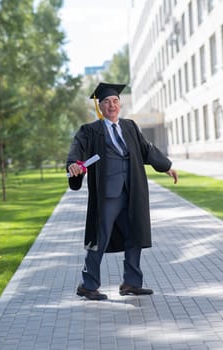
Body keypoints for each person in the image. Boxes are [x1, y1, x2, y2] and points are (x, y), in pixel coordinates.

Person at [66, 82, 178, 301]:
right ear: (99, 106)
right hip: (108, 193)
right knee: (101, 236)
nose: (112, 105)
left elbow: (147, 150)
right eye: (106, 102)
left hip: (133, 189)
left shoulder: (130, 126)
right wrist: (73, 163)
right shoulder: (90, 131)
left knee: (135, 234)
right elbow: (76, 149)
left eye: (115, 101)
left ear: (120, 104)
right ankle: (88, 285)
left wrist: (166, 166)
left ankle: (131, 283)